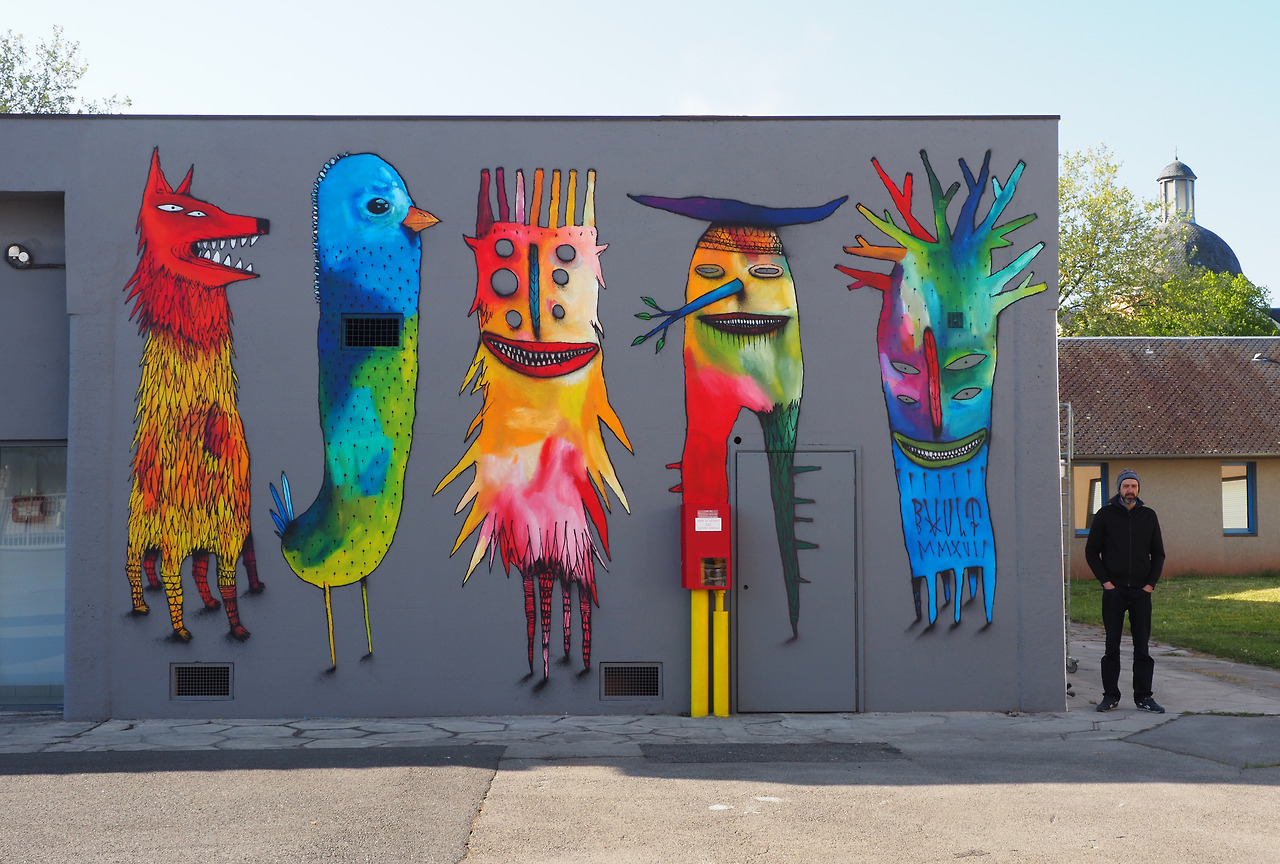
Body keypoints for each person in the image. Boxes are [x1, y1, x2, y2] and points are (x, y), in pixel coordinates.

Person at [1085, 468, 1167, 713]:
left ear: (1138, 489)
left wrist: (1149, 586)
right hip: (1114, 592)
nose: (1130, 490)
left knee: (1142, 647)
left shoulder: (1149, 516)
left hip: (1141, 593)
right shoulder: (1105, 515)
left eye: (1133, 486)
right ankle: (1110, 696)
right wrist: (1106, 583)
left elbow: (1158, 554)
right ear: (1119, 489)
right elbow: (1092, 552)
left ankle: (1144, 697)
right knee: (1112, 646)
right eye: (1126, 486)